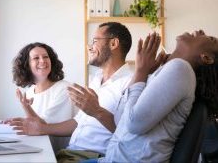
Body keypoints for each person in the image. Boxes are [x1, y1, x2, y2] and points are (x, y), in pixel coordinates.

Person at [8, 22, 134, 162]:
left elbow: (129, 133)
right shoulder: (96, 80)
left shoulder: (130, 83)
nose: (89, 47)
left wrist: (97, 111)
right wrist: (42, 128)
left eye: (95, 41)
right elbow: (77, 122)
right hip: (69, 153)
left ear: (113, 44)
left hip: (93, 157)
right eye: (36, 58)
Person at [85, 30, 218, 163]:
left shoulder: (181, 69)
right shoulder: (167, 72)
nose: (199, 31)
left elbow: (133, 124)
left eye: (210, 38)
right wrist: (145, 73)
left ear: (206, 58)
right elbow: (120, 121)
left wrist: (140, 71)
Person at [6, 42, 78, 124]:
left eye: (46, 57)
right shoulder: (29, 93)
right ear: (27, 65)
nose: (42, 61)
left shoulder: (65, 89)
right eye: (36, 58)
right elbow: (34, 125)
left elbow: (44, 126)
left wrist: (26, 108)